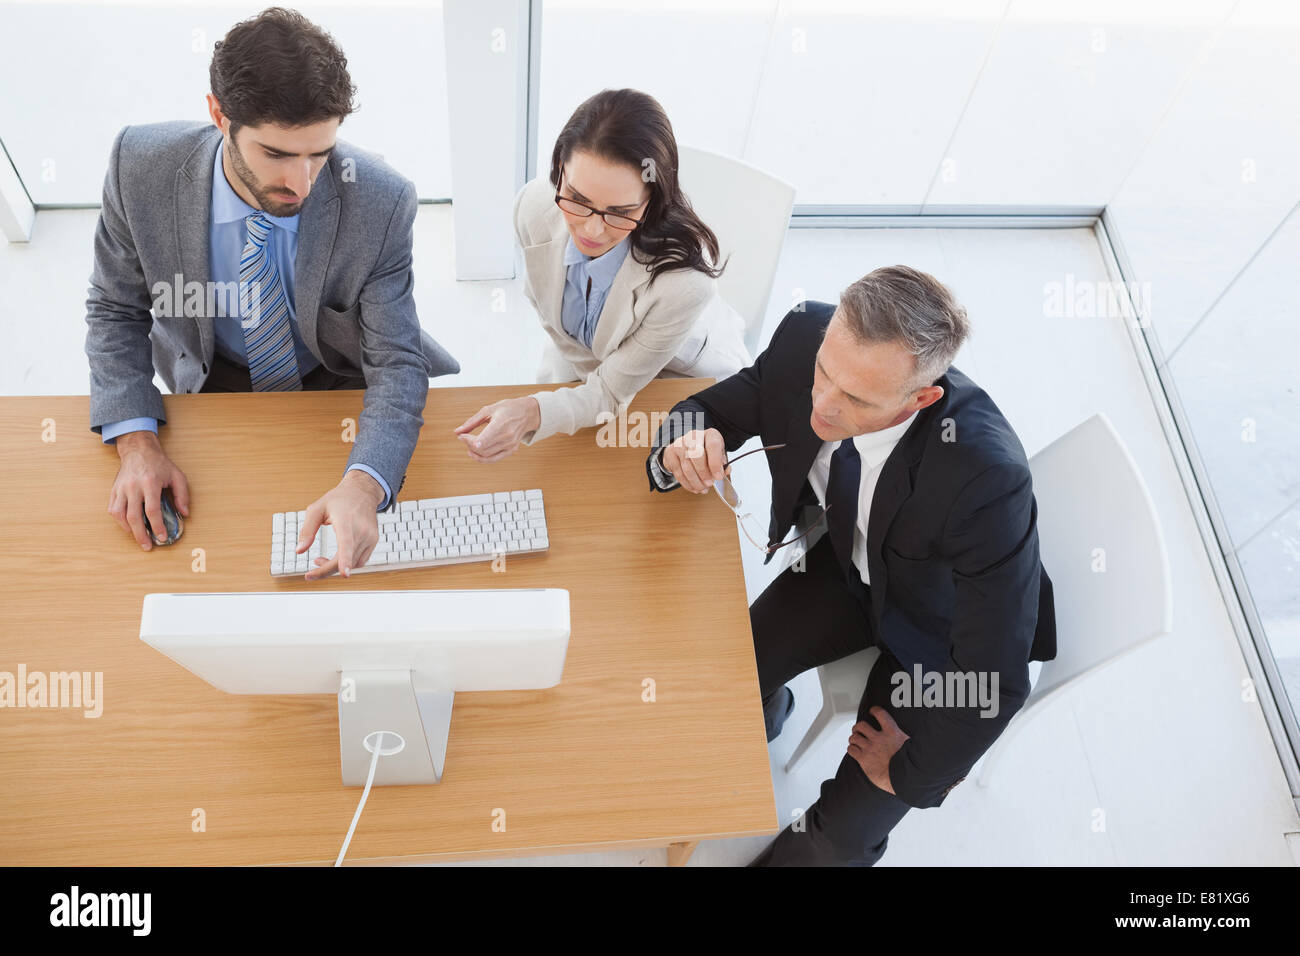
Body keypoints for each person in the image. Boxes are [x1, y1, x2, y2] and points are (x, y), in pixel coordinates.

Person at [646, 266, 1057, 866]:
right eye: (824, 374)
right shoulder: (807, 337)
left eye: (857, 399)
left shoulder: (987, 479)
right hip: (846, 571)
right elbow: (709, 409)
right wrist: (684, 443)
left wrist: (913, 773)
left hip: (939, 642)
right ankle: (769, 713)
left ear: (921, 399)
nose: (822, 404)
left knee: (838, 833)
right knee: (726, 675)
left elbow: (993, 674)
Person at [85, 7, 458, 580]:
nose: (302, 183)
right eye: (278, 155)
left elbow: (396, 363)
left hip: (334, 380)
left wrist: (364, 485)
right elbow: (115, 310)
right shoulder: (140, 168)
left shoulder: (380, 202)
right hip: (212, 378)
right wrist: (137, 443)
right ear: (218, 115)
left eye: (320, 154)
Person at [454, 88, 749, 462]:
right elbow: (563, 335)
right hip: (590, 359)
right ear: (559, 168)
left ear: (653, 200)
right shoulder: (533, 207)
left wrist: (535, 410)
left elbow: (610, 393)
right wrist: (548, 407)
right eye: (578, 199)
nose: (591, 232)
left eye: (619, 211)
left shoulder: (685, 285)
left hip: (678, 378)